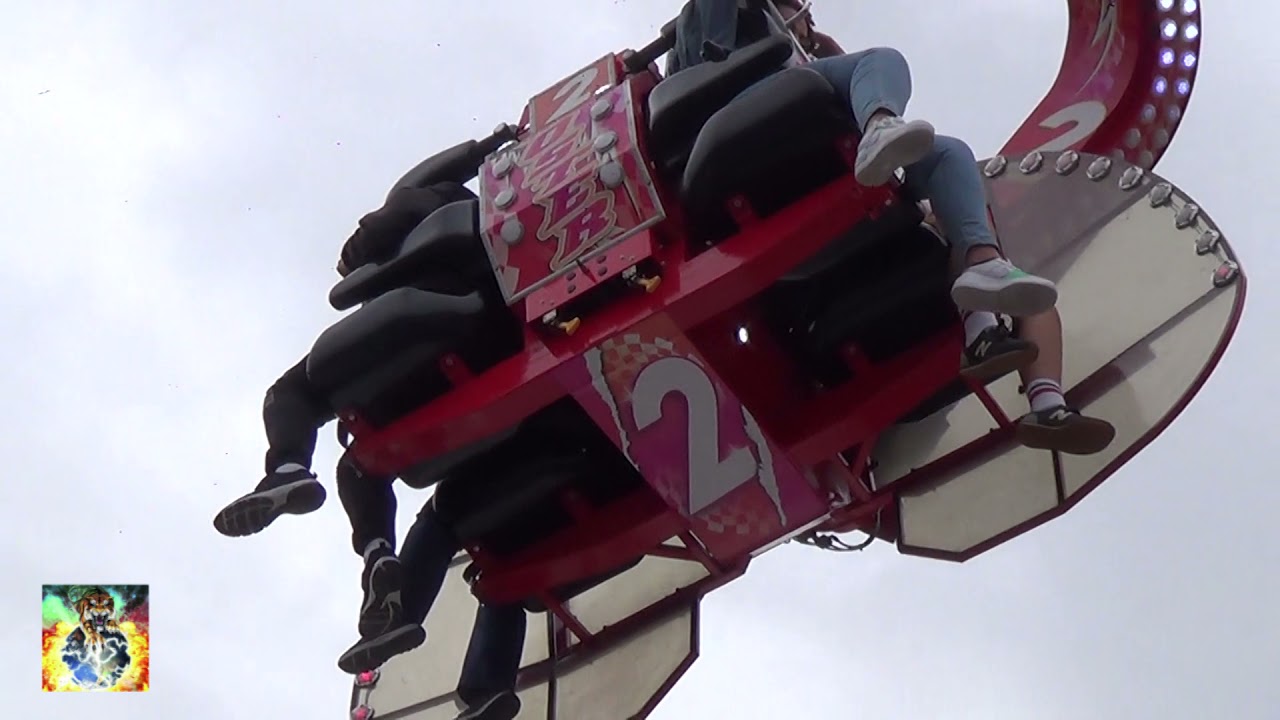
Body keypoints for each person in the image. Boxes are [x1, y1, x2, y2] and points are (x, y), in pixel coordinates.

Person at [672, 0, 1113, 454]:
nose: (804, 20)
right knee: (882, 61)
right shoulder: (733, 28)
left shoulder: (807, 68)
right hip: (747, 111)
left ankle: (1005, 324)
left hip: (816, 157)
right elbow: (714, 49)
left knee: (949, 154)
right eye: (798, 11)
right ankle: (880, 126)